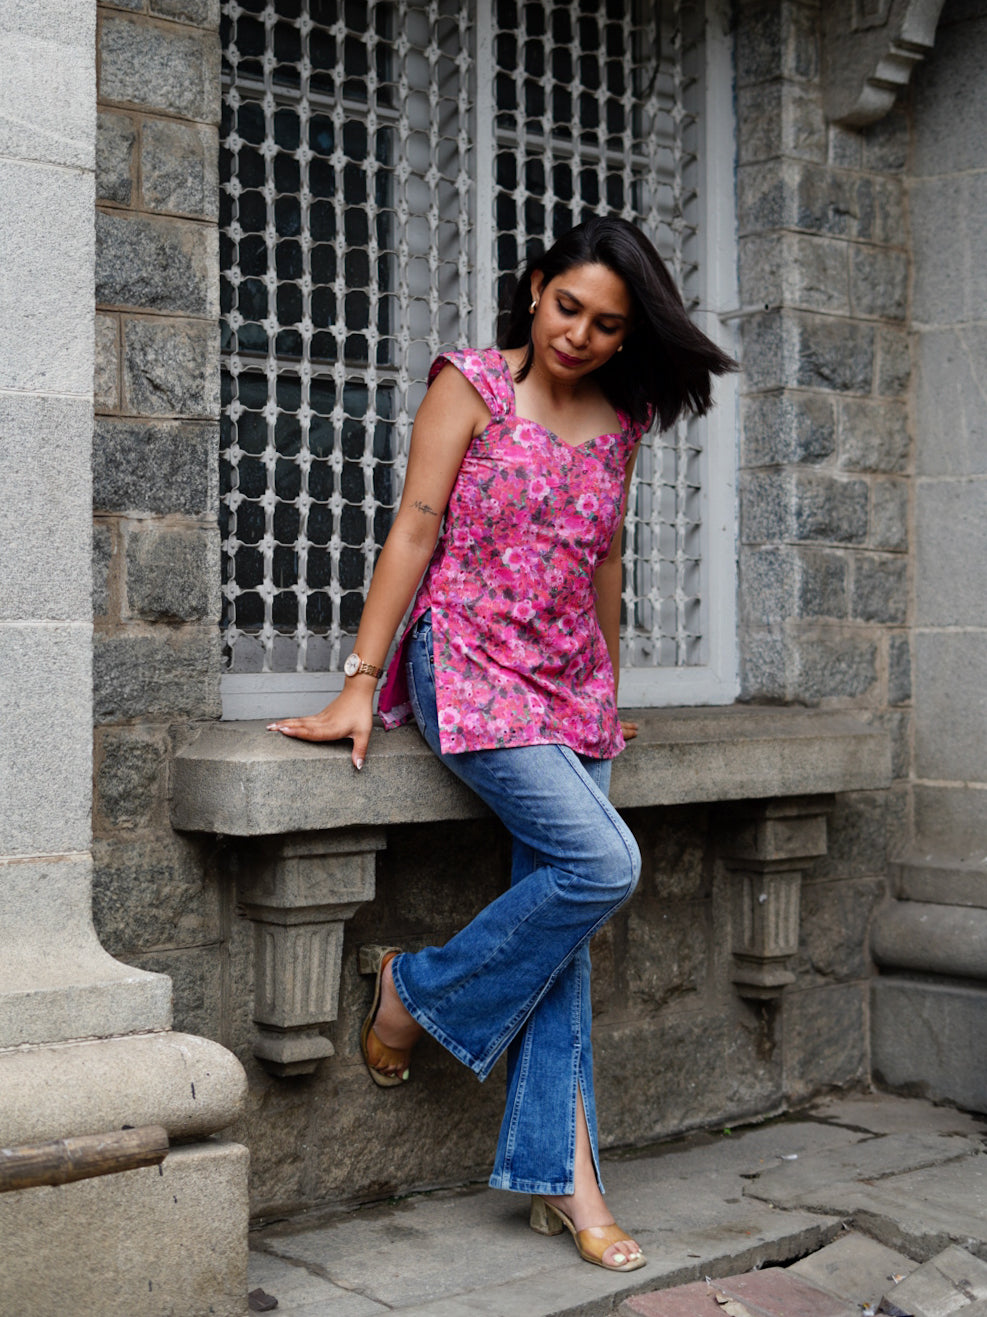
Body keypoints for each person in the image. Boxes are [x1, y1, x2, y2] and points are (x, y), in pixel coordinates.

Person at [268, 216, 735, 1273]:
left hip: (570, 682)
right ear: (534, 288)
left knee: (560, 936)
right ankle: (414, 991)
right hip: (468, 663)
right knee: (601, 864)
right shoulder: (470, 384)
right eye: (568, 307)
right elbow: (415, 526)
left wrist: (607, 690)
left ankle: (561, 1179)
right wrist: (358, 682)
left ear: (627, 337)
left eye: (606, 324)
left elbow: (604, 559)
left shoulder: (624, 418)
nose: (578, 334)